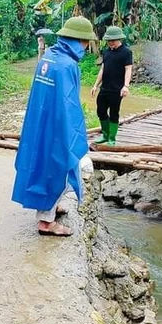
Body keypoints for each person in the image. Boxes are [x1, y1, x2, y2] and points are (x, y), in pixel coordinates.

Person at [12, 16, 97, 237]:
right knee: (59, 166)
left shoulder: (49, 57)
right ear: (78, 41)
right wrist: (73, 132)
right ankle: (46, 223)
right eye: (86, 42)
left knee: (41, 165)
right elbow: (69, 103)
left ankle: (51, 207)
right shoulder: (68, 65)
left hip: (39, 122)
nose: (87, 47)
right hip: (58, 125)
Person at [90, 26, 133, 146]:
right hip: (105, 88)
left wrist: (126, 86)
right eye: (108, 41)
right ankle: (105, 134)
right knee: (101, 111)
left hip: (117, 90)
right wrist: (95, 85)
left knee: (114, 113)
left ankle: (112, 138)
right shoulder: (106, 51)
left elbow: (128, 69)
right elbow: (103, 69)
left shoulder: (126, 52)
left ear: (119, 39)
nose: (110, 43)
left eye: (112, 41)